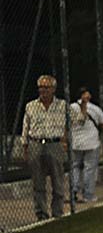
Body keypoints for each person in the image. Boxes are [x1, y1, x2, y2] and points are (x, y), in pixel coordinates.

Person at [21, 75, 68, 220]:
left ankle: (57, 212)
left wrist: (65, 140)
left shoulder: (62, 105)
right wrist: (25, 146)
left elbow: (73, 122)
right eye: (41, 87)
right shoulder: (31, 106)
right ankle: (41, 213)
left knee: (57, 180)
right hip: (36, 142)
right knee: (38, 182)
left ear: (53, 89)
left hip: (54, 143)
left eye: (46, 87)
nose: (43, 90)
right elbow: (25, 127)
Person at [70, 86, 103, 203]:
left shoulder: (71, 108)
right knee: (89, 169)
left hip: (75, 142)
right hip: (92, 143)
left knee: (75, 167)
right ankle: (88, 194)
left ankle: (74, 191)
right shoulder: (95, 109)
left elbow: (66, 125)